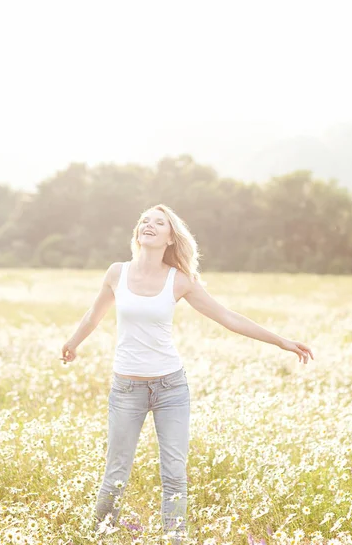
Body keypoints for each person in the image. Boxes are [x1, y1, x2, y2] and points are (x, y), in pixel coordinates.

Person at [60, 203, 314, 543]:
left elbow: (228, 317)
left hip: (171, 389)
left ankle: (174, 539)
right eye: (144, 221)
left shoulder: (179, 280)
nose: (148, 224)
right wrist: (73, 342)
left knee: (175, 476)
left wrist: (281, 341)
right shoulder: (116, 272)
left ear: (169, 237)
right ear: (138, 232)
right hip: (126, 389)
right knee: (116, 473)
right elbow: (94, 314)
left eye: (158, 222)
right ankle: (99, 536)